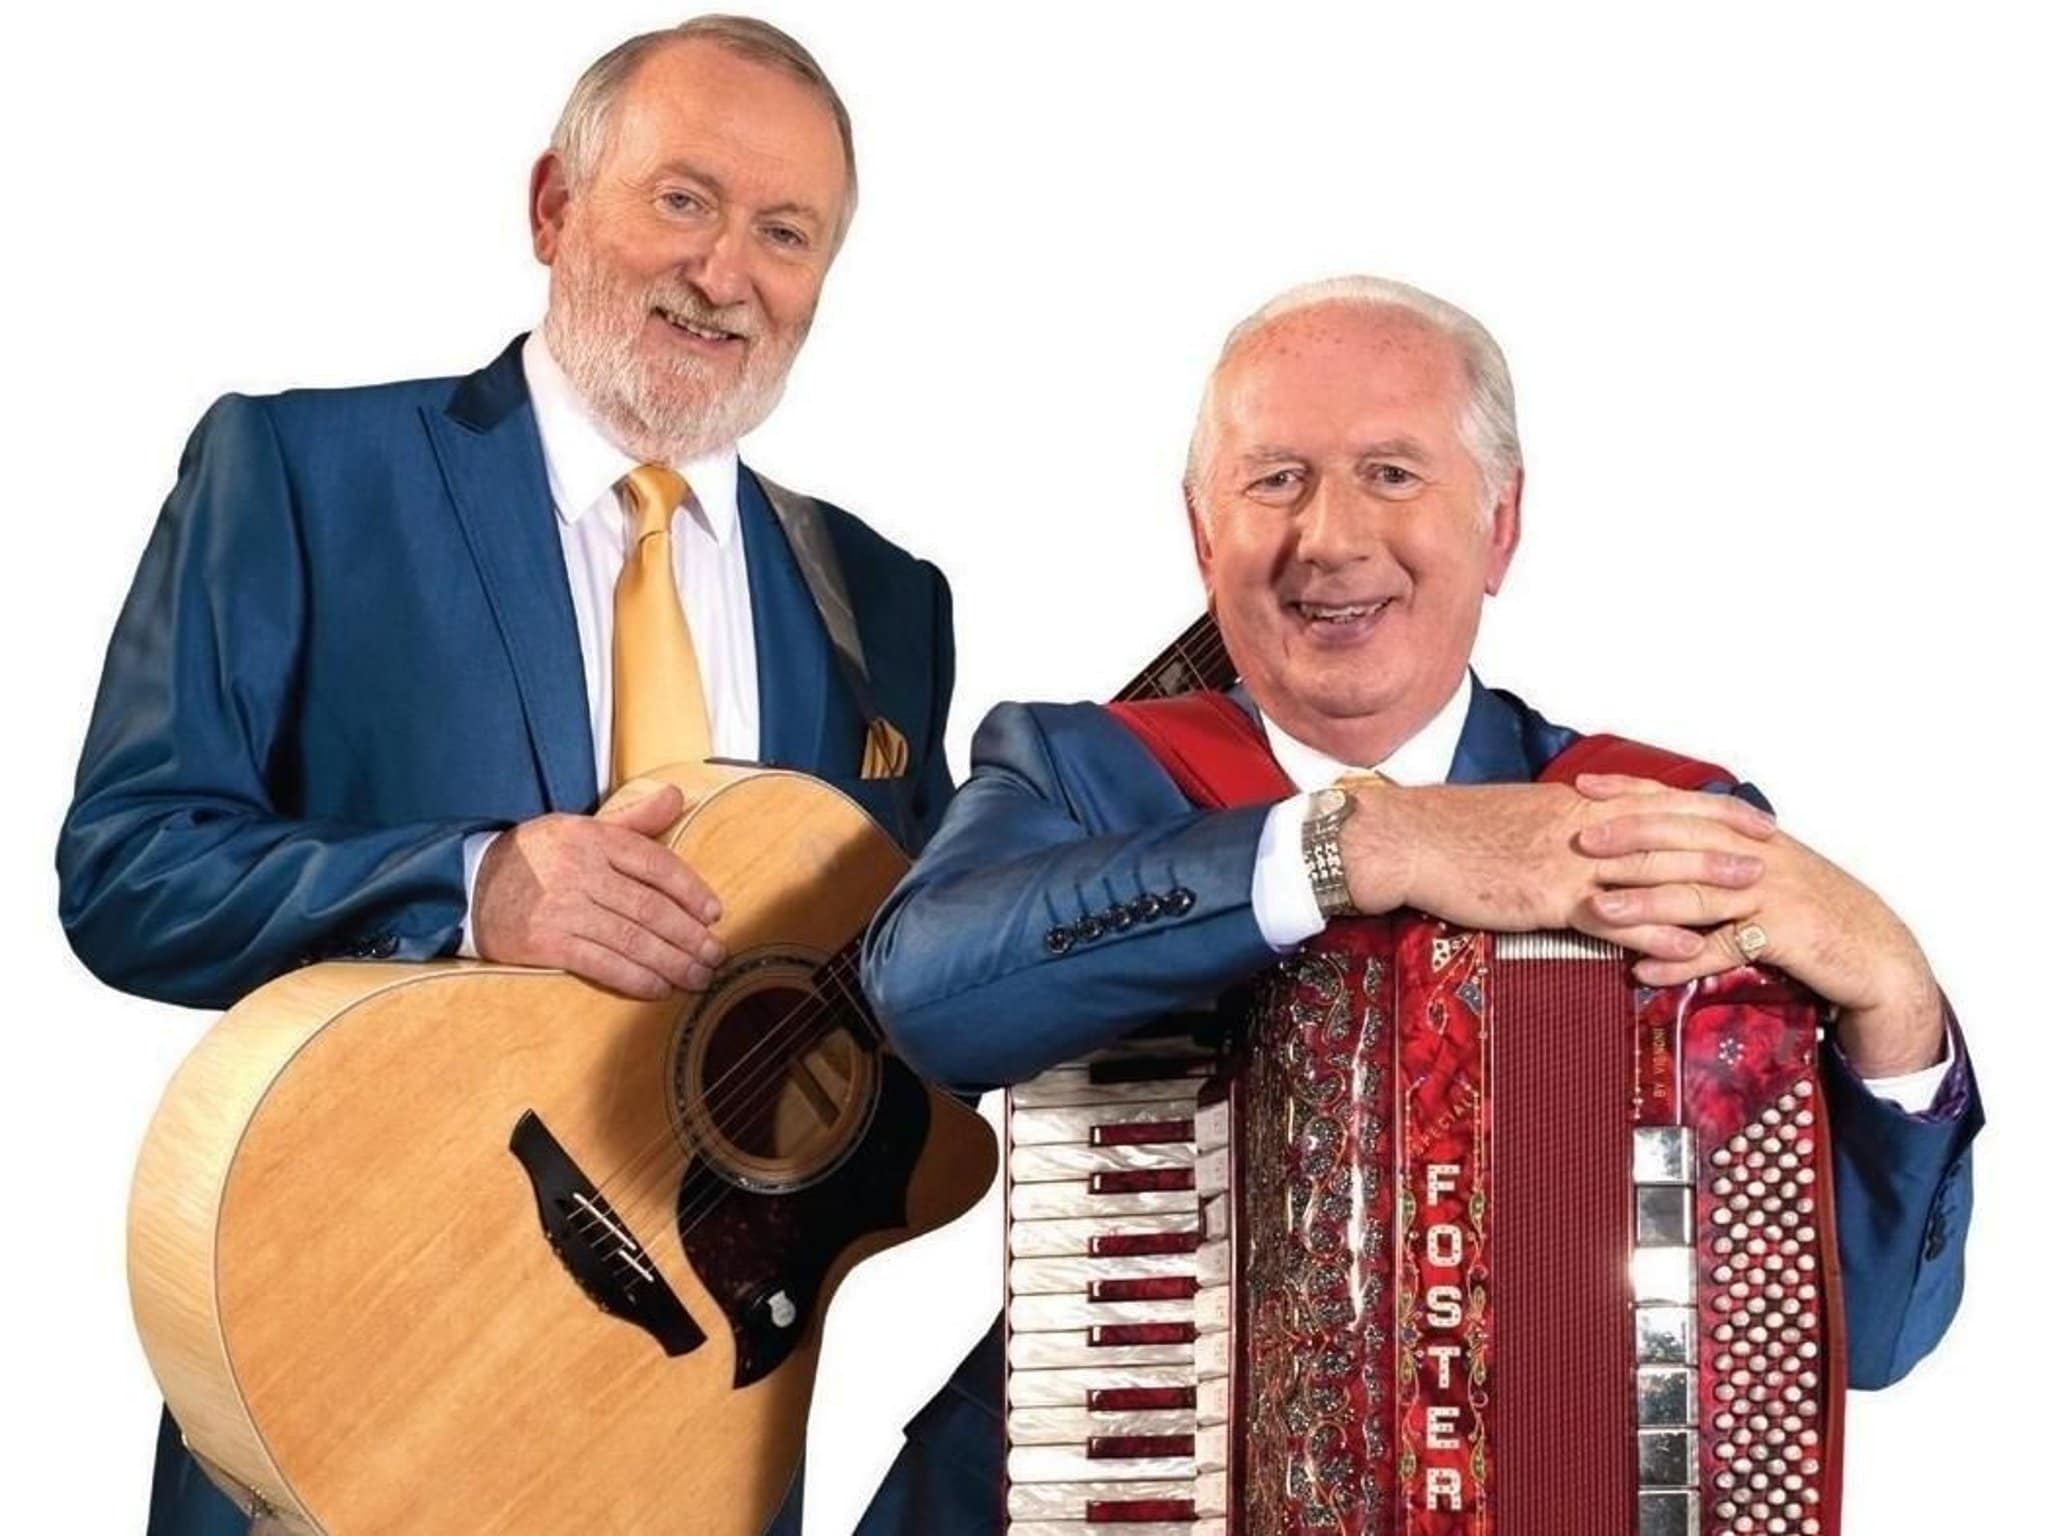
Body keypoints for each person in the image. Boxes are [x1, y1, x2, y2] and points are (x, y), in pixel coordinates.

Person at [858, 275, 1981, 1529]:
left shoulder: (1655, 821)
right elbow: (925, 997)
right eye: (1273, 478)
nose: (1329, 538)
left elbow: (1863, 1335)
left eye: (1392, 474)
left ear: (1499, 527)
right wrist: (1362, 842)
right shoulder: (1084, 774)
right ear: (1200, 534)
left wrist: (1895, 997)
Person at [58, 17, 958, 1535]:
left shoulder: (884, 601)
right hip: (350, 1387)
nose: (727, 271)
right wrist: (475, 888)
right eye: (684, 199)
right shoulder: (303, 472)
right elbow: (130, 869)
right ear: (553, 206)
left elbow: (901, 1006)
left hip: (698, 1432)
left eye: (786, 232)